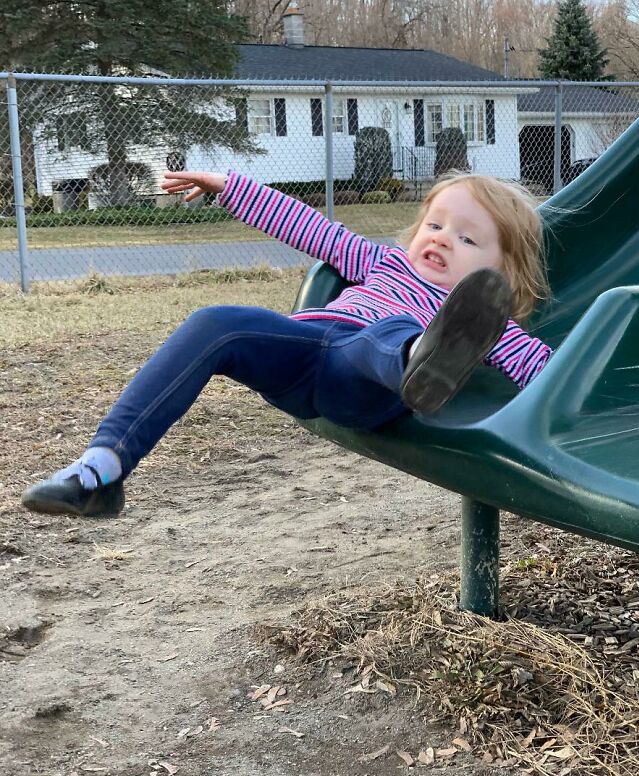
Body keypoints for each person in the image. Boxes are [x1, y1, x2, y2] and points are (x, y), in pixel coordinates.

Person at [21, 168, 553, 518]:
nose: (440, 238)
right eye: (434, 224)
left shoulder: (486, 325)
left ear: (501, 271)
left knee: (383, 335)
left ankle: (423, 360)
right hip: (305, 346)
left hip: (365, 381)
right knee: (217, 321)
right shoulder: (382, 262)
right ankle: (102, 469)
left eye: (466, 238)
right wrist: (228, 187)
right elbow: (310, 228)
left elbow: (549, 370)